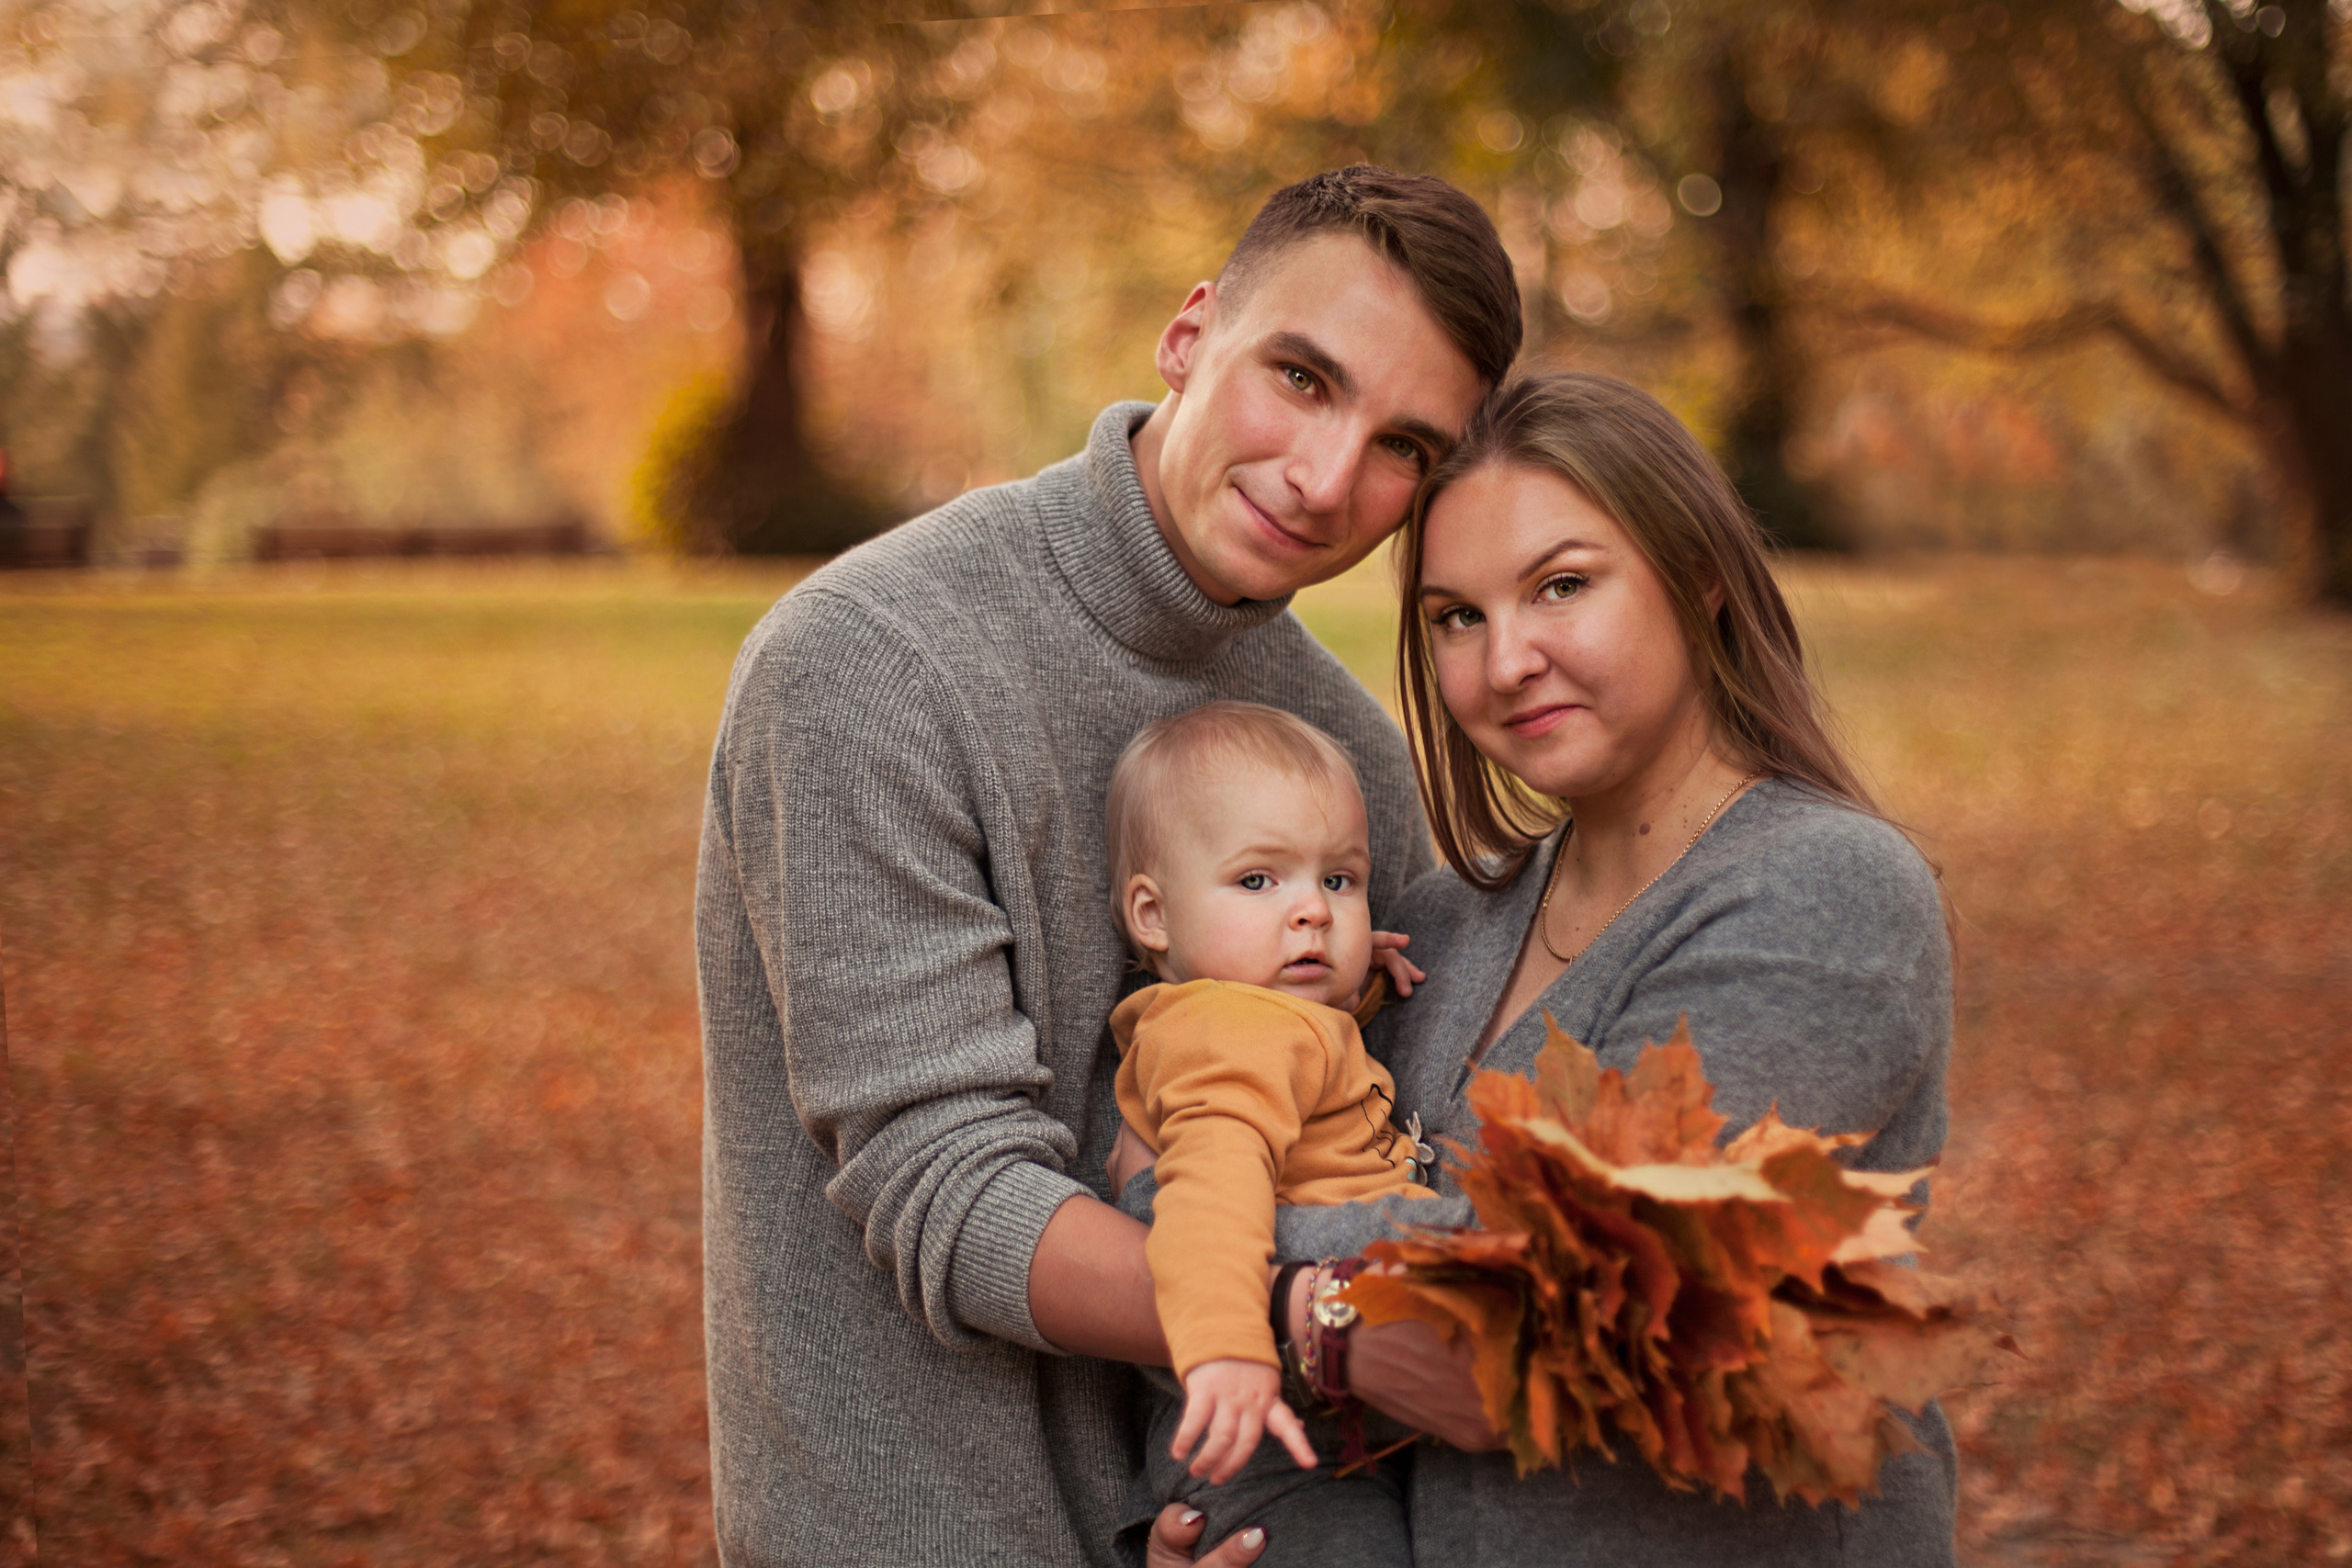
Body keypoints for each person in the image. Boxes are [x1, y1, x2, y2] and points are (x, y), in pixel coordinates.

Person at [695, 166, 1520, 1567]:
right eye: (1302, 377)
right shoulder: (871, 663)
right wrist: (1326, 1327)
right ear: (1191, 332)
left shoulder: (1347, 760)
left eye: (1402, 447)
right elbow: (944, 1188)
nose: (1326, 479)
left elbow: (1360, 1142)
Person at [1296, 369, 1957, 1562]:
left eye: (1562, 586)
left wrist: (1267, 1288)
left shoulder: (1828, 893)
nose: (1507, 662)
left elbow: (1543, 1311)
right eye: (1458, 615)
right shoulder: (1437, 927)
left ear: (1699, 576)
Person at [1102, 702, 1439, 1562]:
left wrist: (1360, 982)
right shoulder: (1234, 1034)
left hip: (1330, 1409)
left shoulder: (1253, 1016)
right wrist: (1230, 1346)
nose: (1313, 914)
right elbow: (1210, 1195)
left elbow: (1302, 1069)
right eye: (1259, 881)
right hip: (1269, 1432)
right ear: (1152, 914)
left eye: (1339, 881)